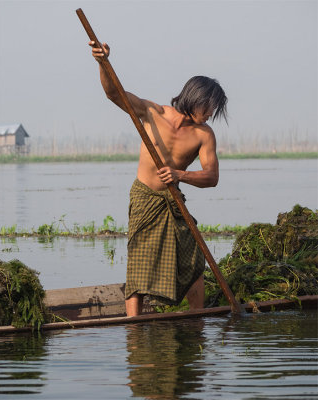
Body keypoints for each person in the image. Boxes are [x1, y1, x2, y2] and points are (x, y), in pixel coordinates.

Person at [89, 41, 228, 317]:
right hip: (144, 197)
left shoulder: (204, 135)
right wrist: (102, 63)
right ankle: (134, 324)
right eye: (210, 107)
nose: (211, 114)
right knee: (139, 258)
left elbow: (212, 177)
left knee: (193, 258)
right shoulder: (154, 112)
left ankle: (195, 319)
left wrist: (180, 174)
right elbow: (114, 94)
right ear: (197, 98)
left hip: (172, 199)